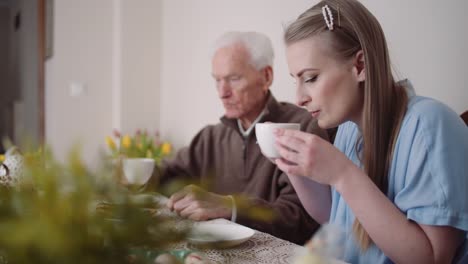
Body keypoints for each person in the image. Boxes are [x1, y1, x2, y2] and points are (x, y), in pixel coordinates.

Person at [274, 0, 468, 262]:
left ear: (360, 66)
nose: (298, 98)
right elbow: (339, 215)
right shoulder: (348, 130)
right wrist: (293, 166)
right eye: (295, 80)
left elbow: (432, 259)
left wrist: (342, 173)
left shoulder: (429, 125)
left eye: (310, 78)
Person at [148, 31, 329, 244]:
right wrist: (139, 175)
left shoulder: (303, 127)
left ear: (266, 77)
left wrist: (230, 207)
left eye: (234, 78)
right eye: (217, 81)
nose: (222, 92)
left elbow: (302, 219)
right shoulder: (211, 136)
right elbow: (167, 177)